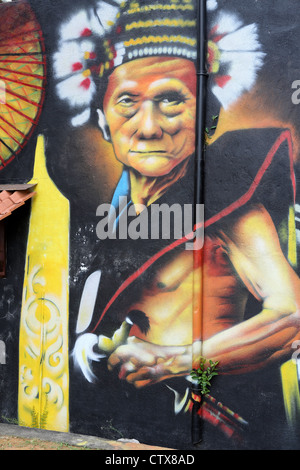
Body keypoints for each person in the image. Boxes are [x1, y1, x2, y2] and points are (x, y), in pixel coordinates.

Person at [53, 0, 300, 446]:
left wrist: (173, 361)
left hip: (217, 429)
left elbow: (293, 317)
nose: (148, 127)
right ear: (102, 122)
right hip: (119, 435)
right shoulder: (112, 215)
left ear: (205, 117)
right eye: (127, 102)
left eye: (170, 100)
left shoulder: (230, 203)